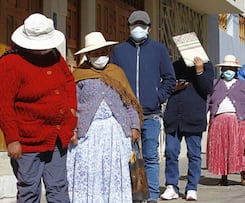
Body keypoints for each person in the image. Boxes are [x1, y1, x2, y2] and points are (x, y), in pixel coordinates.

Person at [0, 13, 77, 202]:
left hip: (57, 137)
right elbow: (4, 104)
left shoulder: (54, 56)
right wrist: (12, 139)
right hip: (27, 140)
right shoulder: (10, 62)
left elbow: (69, 85)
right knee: (29, 189)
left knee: (59, 187)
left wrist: (71, 120)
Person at [66, 32, 142, 202]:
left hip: (115, 133)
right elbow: (71, 106)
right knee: (89, 171)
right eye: (95, 53)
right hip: (88, 134)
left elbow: (128, 102)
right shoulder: (79, 75)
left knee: (114, 170)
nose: (100, 56)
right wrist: (73, 129)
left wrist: (134, 126)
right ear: (88, 55)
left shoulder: (117, 73)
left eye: (103, 52)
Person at [110, 10, 176, 202]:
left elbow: (169, 78)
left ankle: (152, 196)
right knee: (126, 157)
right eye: (134, 24)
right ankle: (129, 194)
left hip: (151, 114)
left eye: (142, 25)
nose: (137, 28)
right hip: (125, 114)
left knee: (150, 157)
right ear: (129, 27)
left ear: (149, 28)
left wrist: (159, 97)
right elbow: (112, 79)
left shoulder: (159, 50)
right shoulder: (119, 51)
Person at [159, 57, 214, 201]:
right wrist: (174, 87)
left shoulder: (207, 65)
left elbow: (207, 89)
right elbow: (166, 86)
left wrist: (199, 71)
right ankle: (171, 186)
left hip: (193, 116)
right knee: (171, 151)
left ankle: (191, 187)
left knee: (194, 154)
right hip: (174, 116)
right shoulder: (175, 65)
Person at [207, 55, 245, 186]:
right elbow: (207, 102)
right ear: (222, 70)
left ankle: (244, 176)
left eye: (231, 68)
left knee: (241, 150)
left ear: (235, 71)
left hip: (240, 121)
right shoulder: (214, 84)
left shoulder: (242, 85)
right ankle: (223, 176)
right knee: (222, 149)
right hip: (219, 121)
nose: (228, 71)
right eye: (225, 68)